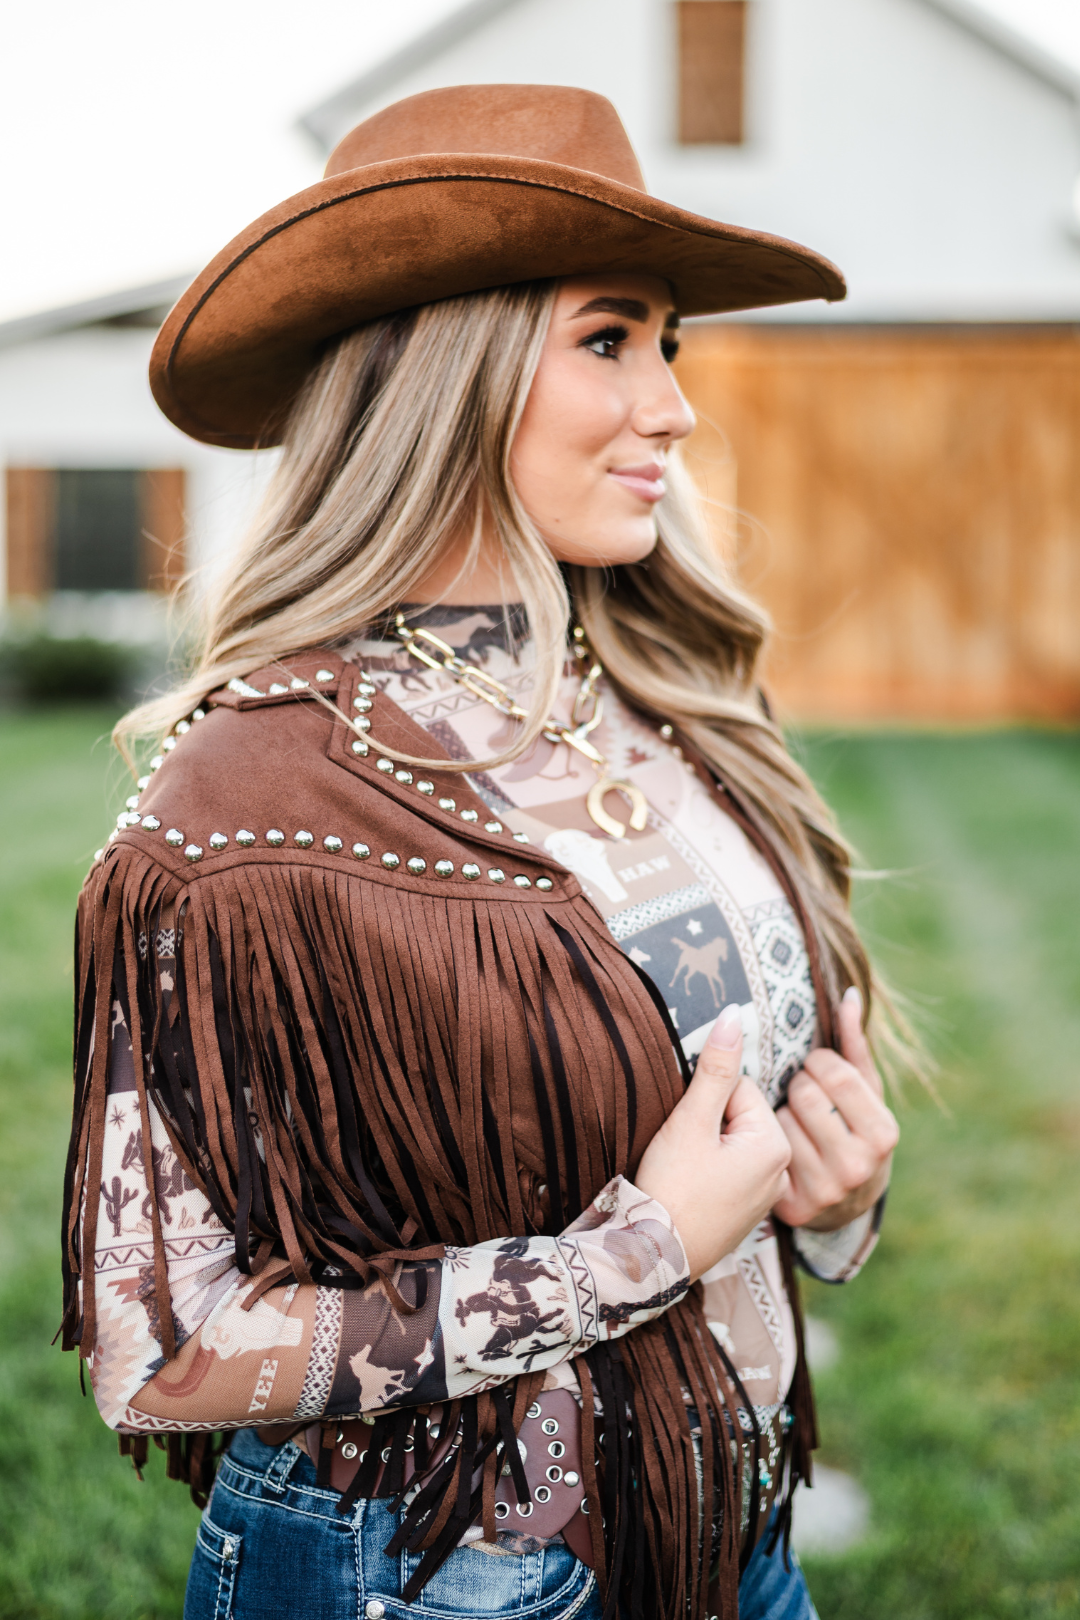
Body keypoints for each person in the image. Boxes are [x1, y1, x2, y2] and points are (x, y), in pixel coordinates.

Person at [62, 85, 900, 1620]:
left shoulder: (671, 707)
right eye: (609, 339)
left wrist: (831, 1198)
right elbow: (160, 1351)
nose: (674, 409)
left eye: (668, 345)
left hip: (737, 1550)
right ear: (442, 374)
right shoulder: (241, 805)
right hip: (441, 1577)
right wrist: (630, 1253)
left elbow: (744, 1147)